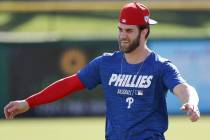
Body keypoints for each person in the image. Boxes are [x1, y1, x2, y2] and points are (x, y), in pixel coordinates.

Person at [4, 2, 200, 140]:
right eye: (120, 29)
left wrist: (190, 102)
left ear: (145, 31)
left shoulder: (160, 66)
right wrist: (29, 102)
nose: (123, 35)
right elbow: (69, 84)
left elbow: (183, 88)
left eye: (129, 30)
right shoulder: (106, 63)